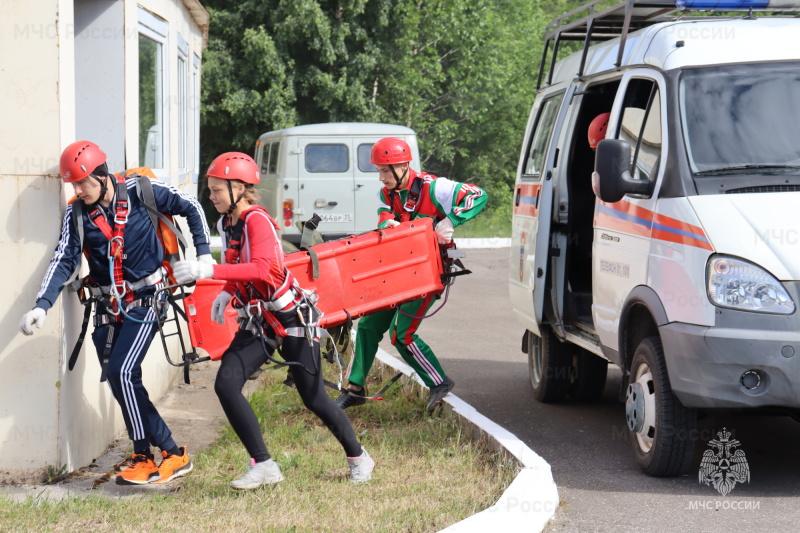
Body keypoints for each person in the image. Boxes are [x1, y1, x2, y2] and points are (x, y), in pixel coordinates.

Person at [173, 152, 374, 489]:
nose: (212, 197)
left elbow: (266, 268)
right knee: (225, 384)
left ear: (239, 188)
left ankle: (359, 457)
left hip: (293, 318)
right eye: (210, 190)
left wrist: (207, 270)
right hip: (259, 321)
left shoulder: (257, 220)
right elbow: (239, 263)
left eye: (217, 190)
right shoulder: (227, 223)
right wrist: (226, 290)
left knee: (314, 399)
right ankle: (264, 465)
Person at [18, 140, 212, 485]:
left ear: (101, 175)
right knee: (122, 380)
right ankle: (170, 453)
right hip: (108, 308)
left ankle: (146, 455)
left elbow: (191, 206)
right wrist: (41, 306)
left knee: (123, 371)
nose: (77, 191)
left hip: (147, 299)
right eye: (73, 185)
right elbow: (64, 258)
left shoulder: (141, 190)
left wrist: (203, 253)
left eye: (82, 183)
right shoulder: (77, 214)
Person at [335, 137, 487, 413]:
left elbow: (479, 195)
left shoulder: (436, 187)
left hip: (431, 272)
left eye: (384, 171)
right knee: (368, 326)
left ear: (403, 166)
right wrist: (387, 224)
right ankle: (355, 389)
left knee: (401, 334)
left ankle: (439, 382)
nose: (380, 178)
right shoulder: (387, 193)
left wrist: (451, 221)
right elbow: (383, 215)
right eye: (378, 171)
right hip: (400, 271)